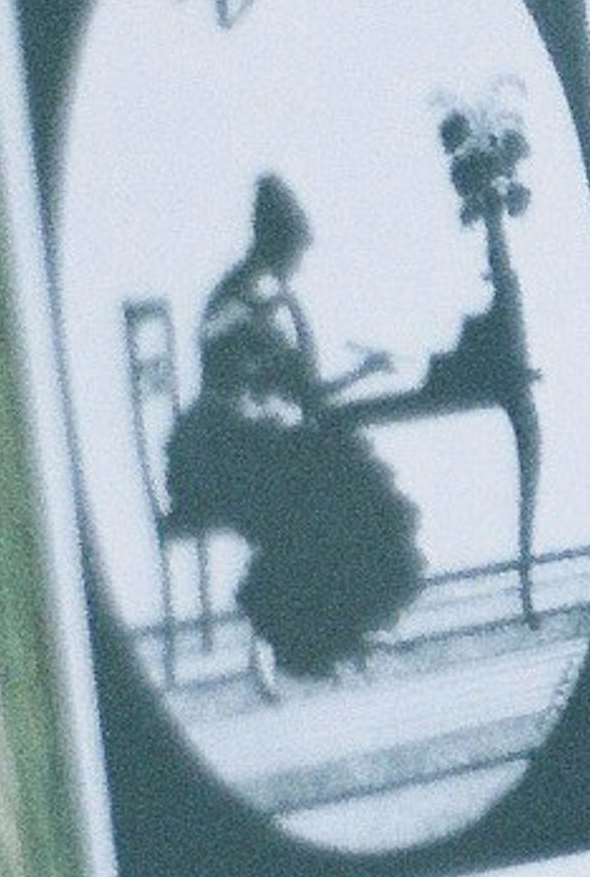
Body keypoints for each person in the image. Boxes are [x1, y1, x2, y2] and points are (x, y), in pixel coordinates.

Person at [158, 175, 424, 678]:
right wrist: (362, 375)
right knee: (342, 486)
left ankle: (335, 635)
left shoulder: (248, 289)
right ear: (278, 243)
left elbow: (297, 393)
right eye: (296, 247)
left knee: (343, 475)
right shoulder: (258, 299)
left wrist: (354, 377)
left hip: (233, 446)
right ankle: (298, 638)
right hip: (219, 458)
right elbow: (291, 393)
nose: (300, 258)